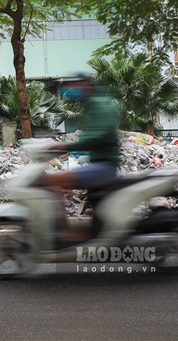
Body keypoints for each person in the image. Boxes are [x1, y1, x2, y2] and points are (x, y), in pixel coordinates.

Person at [41, 73, 121, 241]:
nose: (73, 89)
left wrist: (66, 146)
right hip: (102, 164)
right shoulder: (93, 105)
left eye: (76, 85)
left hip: (104, 166)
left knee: (55, 181)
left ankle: (65, 231)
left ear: (86, 84)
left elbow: (98, 136)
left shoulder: (99, 105)